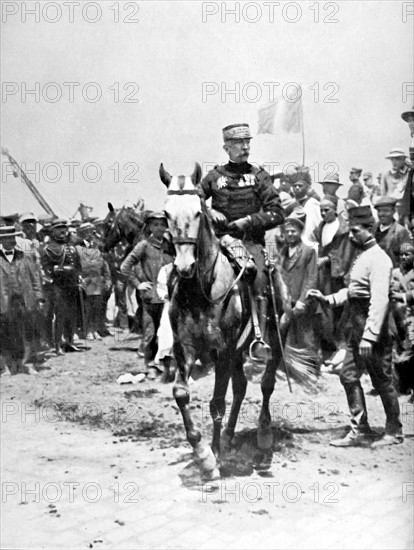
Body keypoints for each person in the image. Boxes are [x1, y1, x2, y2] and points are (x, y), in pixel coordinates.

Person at [307, 205, 403, 447]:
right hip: (356, 326)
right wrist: (327, 299)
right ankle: (360, 428)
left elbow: (379, 300)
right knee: (348, 375)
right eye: (349, 230)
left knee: (382, 380)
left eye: (356, 231)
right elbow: (353, 292)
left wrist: (369, 337)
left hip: (375, 330)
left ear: (370, 229)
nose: (351, 236)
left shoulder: (379, 259)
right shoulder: (361, 257)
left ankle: (394, 430)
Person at [199, 123, 284, 337]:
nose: (245, 147)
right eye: (238, 143)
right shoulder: (214, 176)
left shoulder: (259, 176)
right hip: (218, 242)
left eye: (247, 142)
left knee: (259, 279)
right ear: (226, 148)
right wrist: (209, 212)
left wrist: (248, 221)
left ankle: (260, 337)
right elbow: (194, 198)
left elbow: (277, 213)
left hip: (249, 242)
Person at [121, 212, 174, 377]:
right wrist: (138, 284)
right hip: (151, 298)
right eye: (155, 224)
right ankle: (150, 366)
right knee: (150, 332)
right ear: (149, 227)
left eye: (162, 224)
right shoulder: (143, 245)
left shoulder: (170, 246)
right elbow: (125, 266)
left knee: (168, 332)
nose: (159, 228)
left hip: (169, 298)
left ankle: (166, 365)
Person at [312, 195, 355, 364]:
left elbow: (344, 252)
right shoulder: (321, 227)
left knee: (340, 311)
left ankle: (343, 349)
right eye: (321, 210)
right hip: (324, 276)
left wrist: (328, 259)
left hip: (339, 275)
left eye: (327, 209)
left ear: (335, 209)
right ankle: (329, 348)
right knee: (324, 311)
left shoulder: (343, 229)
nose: (323, 213)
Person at [0, 225, 44, 374]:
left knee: (26, 332)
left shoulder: (24, 256)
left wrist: (39, 296)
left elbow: (35, 277)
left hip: (24, 300)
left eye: (12, 238)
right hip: (4, 301)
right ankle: (8, 365)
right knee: (6, 333)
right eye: (5, 239)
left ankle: (26, 364)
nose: (9, 241)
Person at [279, 211, 318, 363]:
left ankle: (312, 367)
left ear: (300, 232)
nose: (290, 234)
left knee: (305, 335)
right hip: (287, 300)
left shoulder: (308, 251)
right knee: (287, 335)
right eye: (287, 231)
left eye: (293, 231)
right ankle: (290, 366)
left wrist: (303, 300)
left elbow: (312, 278)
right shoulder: (282, 251)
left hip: (302, 300)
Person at [41, 219, 82, 355]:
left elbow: (78, 265)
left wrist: (78, 275)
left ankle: (69, 342)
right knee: (60, 315)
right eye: (59, 228)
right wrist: (67, 269)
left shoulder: (71, 247)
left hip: (72, 284)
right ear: (52, 231)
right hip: (58, 286)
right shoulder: (49, 249)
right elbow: (47, 269)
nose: (63, 231)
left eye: (64, 228)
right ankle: (57, 344)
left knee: (72, 314)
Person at [76, 222, 111, 341]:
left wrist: (107, 279)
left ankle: (95, 329)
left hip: (97, 281)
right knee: (87, 308)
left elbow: (105, 264)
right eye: (86, 232)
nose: (89, 234)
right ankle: (88, 331)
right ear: (81, 234)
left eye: (91, 231)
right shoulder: (77, 248)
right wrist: (78, 278)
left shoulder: (97, 246)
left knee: (97, 306)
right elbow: (75, 265)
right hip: (86, 281)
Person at [390, 242, 414, 402]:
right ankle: (402, 386)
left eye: (408, 254)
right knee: (398, 349)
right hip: (398, 316)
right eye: (402, 254)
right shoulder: (395, 272)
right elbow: (390, 290)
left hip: (412, 317)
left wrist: (401, 295)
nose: (404, 257)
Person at [373, 196, 411, 267]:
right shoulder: (374, 228)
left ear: (393, 211)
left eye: (385, 211)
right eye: (379, 211)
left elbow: (407, 257)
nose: (381, 214)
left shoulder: (400, 231)